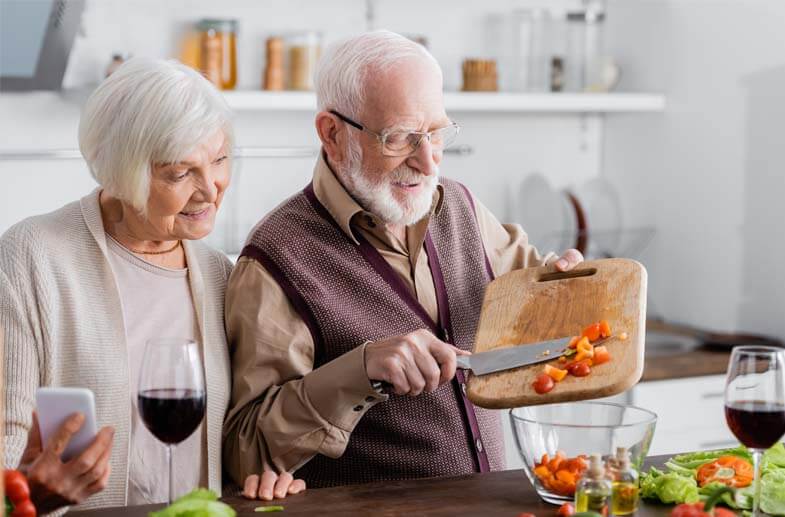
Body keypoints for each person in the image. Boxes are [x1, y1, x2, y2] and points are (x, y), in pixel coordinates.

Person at [222, 31, 584, 489]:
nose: (429, 162)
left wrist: (563, 283)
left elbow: (534, 290)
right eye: (400, 138)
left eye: (437, 133)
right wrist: (361, 371)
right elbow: (245, 450)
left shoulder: (459, 206)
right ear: (332, 134)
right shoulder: (277, 259)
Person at [0, 58, 303, 514]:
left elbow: (235, 436)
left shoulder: (219, 272)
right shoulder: (33, 256)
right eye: (180, 173)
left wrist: (264, 477)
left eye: (219, 159)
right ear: (122, 173)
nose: (210, 189)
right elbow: (8, 439)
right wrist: (24, 495)